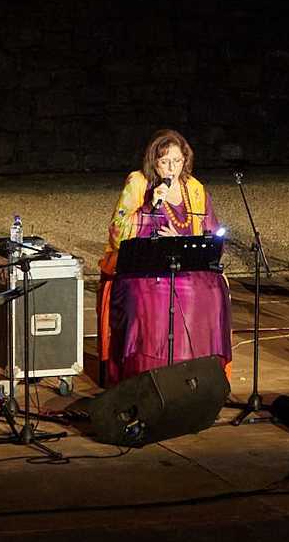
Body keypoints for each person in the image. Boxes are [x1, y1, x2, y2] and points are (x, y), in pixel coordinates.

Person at [98, 129, 232, 384]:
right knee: (152, 296)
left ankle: (197, 372)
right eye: (165, 162)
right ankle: (149, 374)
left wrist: (182, 239)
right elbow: (117, 232)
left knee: (212, 289)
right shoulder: (138, 182)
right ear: (154, 162)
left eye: (177, 161)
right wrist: (149, 207)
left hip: (185, 263)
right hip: (144, 266)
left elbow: (211, 233)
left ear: (185, 160)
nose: (172, 168)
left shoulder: (194, 188)